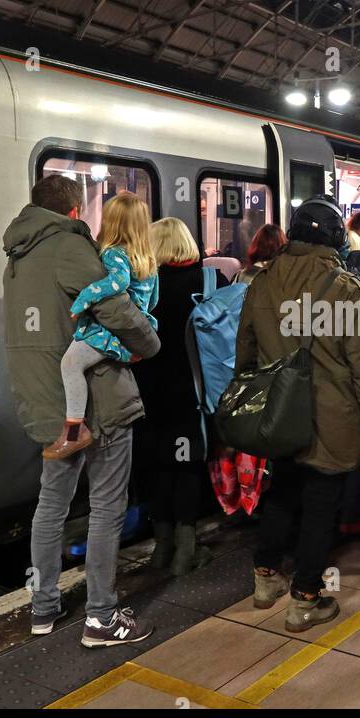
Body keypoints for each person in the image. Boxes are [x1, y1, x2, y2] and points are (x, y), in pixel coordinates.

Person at [2, 174, 159, 645]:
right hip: (99, 403)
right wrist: (149, 344)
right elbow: (115, 309)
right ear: (73, 212)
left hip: (51, 404)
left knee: (50, 505)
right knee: (107, 508)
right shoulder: (69, 248)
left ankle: (44, 608)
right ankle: (101, 619)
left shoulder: (16, 257)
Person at [241, 196, 360, 632]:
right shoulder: (346, 288)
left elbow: (246, 352)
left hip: (280, 414)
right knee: (320, 507)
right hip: (333, 418)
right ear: (333, 239)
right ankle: (305, 598)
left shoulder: (263, 281)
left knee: (283, 490)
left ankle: (266, 577)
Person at [131, 217, 230, 575]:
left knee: (155, 467)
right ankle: (186, 551)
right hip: (194, 393)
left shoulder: (141, 287)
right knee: (187, 468)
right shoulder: (211, 281)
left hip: (146, 396)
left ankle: (162, 547)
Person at [46, 192, 160, 460]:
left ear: (112, 222)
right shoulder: (148, 259)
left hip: (108, 329)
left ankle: (74, 431)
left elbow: (117, 283)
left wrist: (83, 299)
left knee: (70, 364)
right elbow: (153, 300)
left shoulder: (113, 254)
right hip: (134, 326)